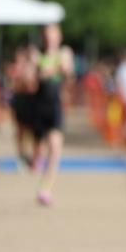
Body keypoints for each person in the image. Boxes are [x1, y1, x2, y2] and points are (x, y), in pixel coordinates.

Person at [31, 24, 73, 206]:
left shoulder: (64, 53)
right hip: (38, 106)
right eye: (47, 34)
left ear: (59, 36)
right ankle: (35, 159)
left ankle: (45, 189)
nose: (51, 38)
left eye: (54, 33)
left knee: (55, 147)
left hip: (54, 105)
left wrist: (58, 70)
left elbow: (68, 73)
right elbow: (30, 80)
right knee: (38, 150)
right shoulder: (36, 55)